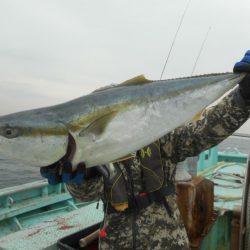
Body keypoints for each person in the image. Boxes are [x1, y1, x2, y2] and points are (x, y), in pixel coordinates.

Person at [41, 51, 250, 250]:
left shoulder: (163, 136)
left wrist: (243, 97)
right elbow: (86, 196)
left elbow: (206, 130)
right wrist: (84, 175)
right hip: (116, 241)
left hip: (168, 240)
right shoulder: (94, 150)